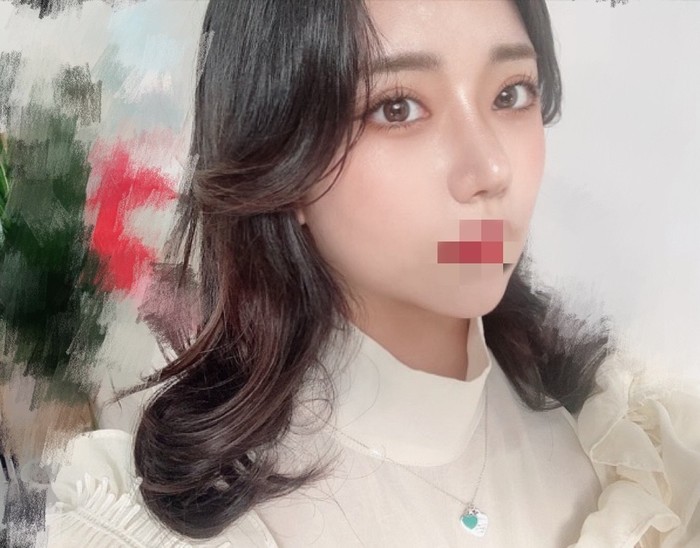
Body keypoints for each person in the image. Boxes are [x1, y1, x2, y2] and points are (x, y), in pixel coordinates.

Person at [45, 0, 700, 546]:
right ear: (279, 153)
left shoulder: (629, 447)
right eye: (397, 108)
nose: (489, 170)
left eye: (511, 94)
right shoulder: (175, 519)